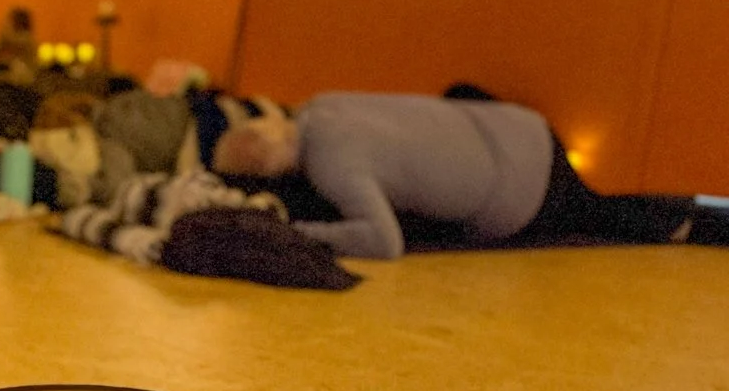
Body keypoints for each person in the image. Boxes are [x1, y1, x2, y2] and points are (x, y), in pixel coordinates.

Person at [210, 91, 728, 257]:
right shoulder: (323, 103)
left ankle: (692, 222)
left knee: (600, 221)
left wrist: (299, 232)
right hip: (522, 128)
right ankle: (695, 212)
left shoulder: (333, 167)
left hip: (518, 193)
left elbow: (384, 241)